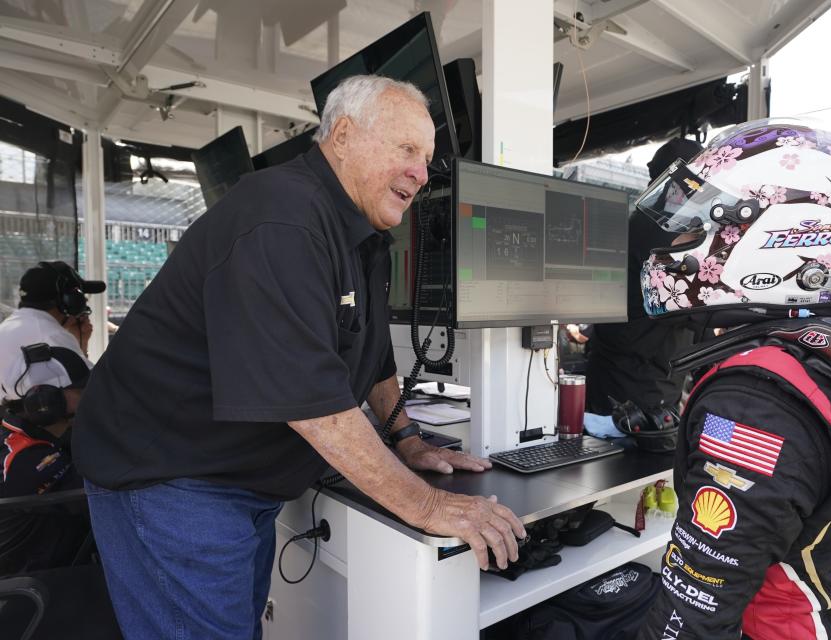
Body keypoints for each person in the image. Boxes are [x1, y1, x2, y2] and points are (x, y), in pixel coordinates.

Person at [72, 75, 525, 639]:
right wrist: (430, 508)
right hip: (170, 475)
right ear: (342, 136)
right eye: (406, 148)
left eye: (427, 158)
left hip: (242, 481)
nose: (421, 172)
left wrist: (406, 437)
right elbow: (313, 404)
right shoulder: (282, 217)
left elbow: (373, 351)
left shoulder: (362, 233)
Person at [630, 120, 831, 639]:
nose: (684, 243)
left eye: (705, 228)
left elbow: (697, 613)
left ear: (781, 245)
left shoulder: (755, 402)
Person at [567, 137, 703, 417]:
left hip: (640, 383)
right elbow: (691, 303)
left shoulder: (654, 221)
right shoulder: (659, 230)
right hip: (630, 391)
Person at [0, 344, 90, 575]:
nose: (91, 395)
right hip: (33, 595)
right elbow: (98, 497)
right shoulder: (26, 459)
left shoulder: (16, 436)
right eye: (82, 389)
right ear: (46, 402)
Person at [0, 261, 103, 402]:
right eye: (80, 297)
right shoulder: (52, 335)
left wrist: (81, 342)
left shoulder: (8, 325)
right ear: (68, 301)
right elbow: (93, 391)